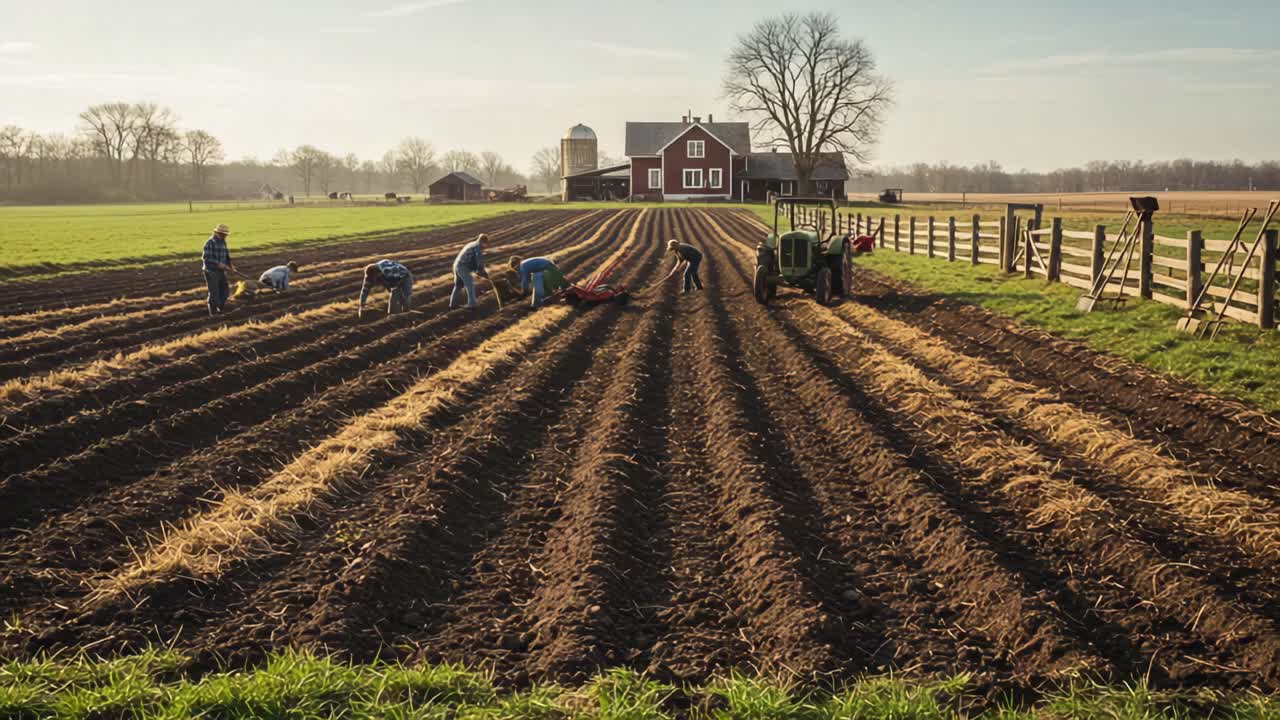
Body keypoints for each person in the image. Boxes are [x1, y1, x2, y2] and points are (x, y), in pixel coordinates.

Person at [202, 223, 235, 315]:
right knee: (214, 293)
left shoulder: (223, 242)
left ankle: (219, 308)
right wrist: (218, 264)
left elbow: (226, 255)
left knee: (225, 291)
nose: (224, 236)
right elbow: (206, 258)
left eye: (225, 234)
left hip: (221, 271)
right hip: (211, 271)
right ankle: (213, 313)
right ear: (216, 233)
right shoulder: (209, 243)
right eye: (222, 234)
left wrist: (230, 265)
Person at [450, 233, 490, 309]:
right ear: (482, 242)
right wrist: (483, 273)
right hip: (462, 267)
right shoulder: (477, 247)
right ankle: (472, 304)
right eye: (485, 244)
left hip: (456, 265)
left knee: (458, 285)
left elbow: (473, 262)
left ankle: (452, 304)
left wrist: (479, 271)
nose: (485, 246)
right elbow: (479, 263)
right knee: (470, 284)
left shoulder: (471, 244)